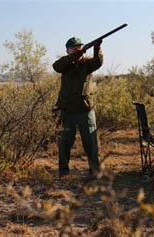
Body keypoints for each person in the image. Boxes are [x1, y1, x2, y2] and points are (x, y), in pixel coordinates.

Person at [52, 36, 103, 178]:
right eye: (74, 48)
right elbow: (56, 66)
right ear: (67, 51)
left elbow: (98, 62)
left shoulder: (87, 64)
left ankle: (95, 172)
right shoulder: (65, 64)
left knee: (91, 144)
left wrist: (97, 48)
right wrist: (74, 57)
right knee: (64, 144)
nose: (78, 49)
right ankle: (63, 172)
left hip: (85, 110)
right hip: (67, 111)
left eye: (80, 47)